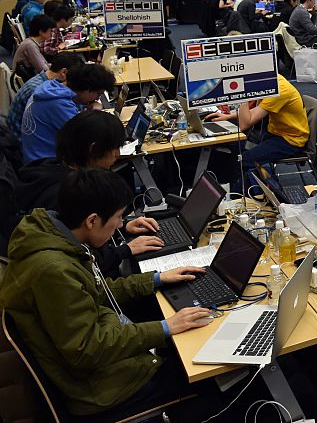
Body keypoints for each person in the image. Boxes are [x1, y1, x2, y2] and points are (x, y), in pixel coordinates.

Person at [0, 169, 216, 418]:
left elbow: (94, 289)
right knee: (210, 379)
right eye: (118, 217)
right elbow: (88, 349)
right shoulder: (53, 270)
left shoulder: (54, 237)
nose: (121, 225)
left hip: (105, 358)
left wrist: (156, 279)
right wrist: (165, 327)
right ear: (92, 220)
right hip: (102, 388)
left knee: (183, 343)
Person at [12, 111, 165, 274]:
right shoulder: (66, 195)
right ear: (94, 149)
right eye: (115, 148)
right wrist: (125, 250)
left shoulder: (50, 167)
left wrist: (120, 226)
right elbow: (82, 261)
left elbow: (82, 230)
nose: (118, 154)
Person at [207, 74, 309, 179]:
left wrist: (241, 94)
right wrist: (228, 116)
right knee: (233, 147)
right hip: (274, 132)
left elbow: (245, 124)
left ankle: (245, 187)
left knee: (242, 160)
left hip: (289, 141)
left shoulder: (279, 89)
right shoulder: (270, 79)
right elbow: (254, 112)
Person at [21, 63, 116, 163]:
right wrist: (95, 111)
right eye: (98, 94)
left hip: (37, 156)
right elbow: (88, 136)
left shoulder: (50, 88)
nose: (97, 98)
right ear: (87, 89)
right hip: (47, 164)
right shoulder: (59, 104)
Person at [8, 52, 85, 138]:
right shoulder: (41, 91)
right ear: (64, 72)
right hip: (22, 139)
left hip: (21, 132)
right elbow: (69, 121)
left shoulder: (42, 81)